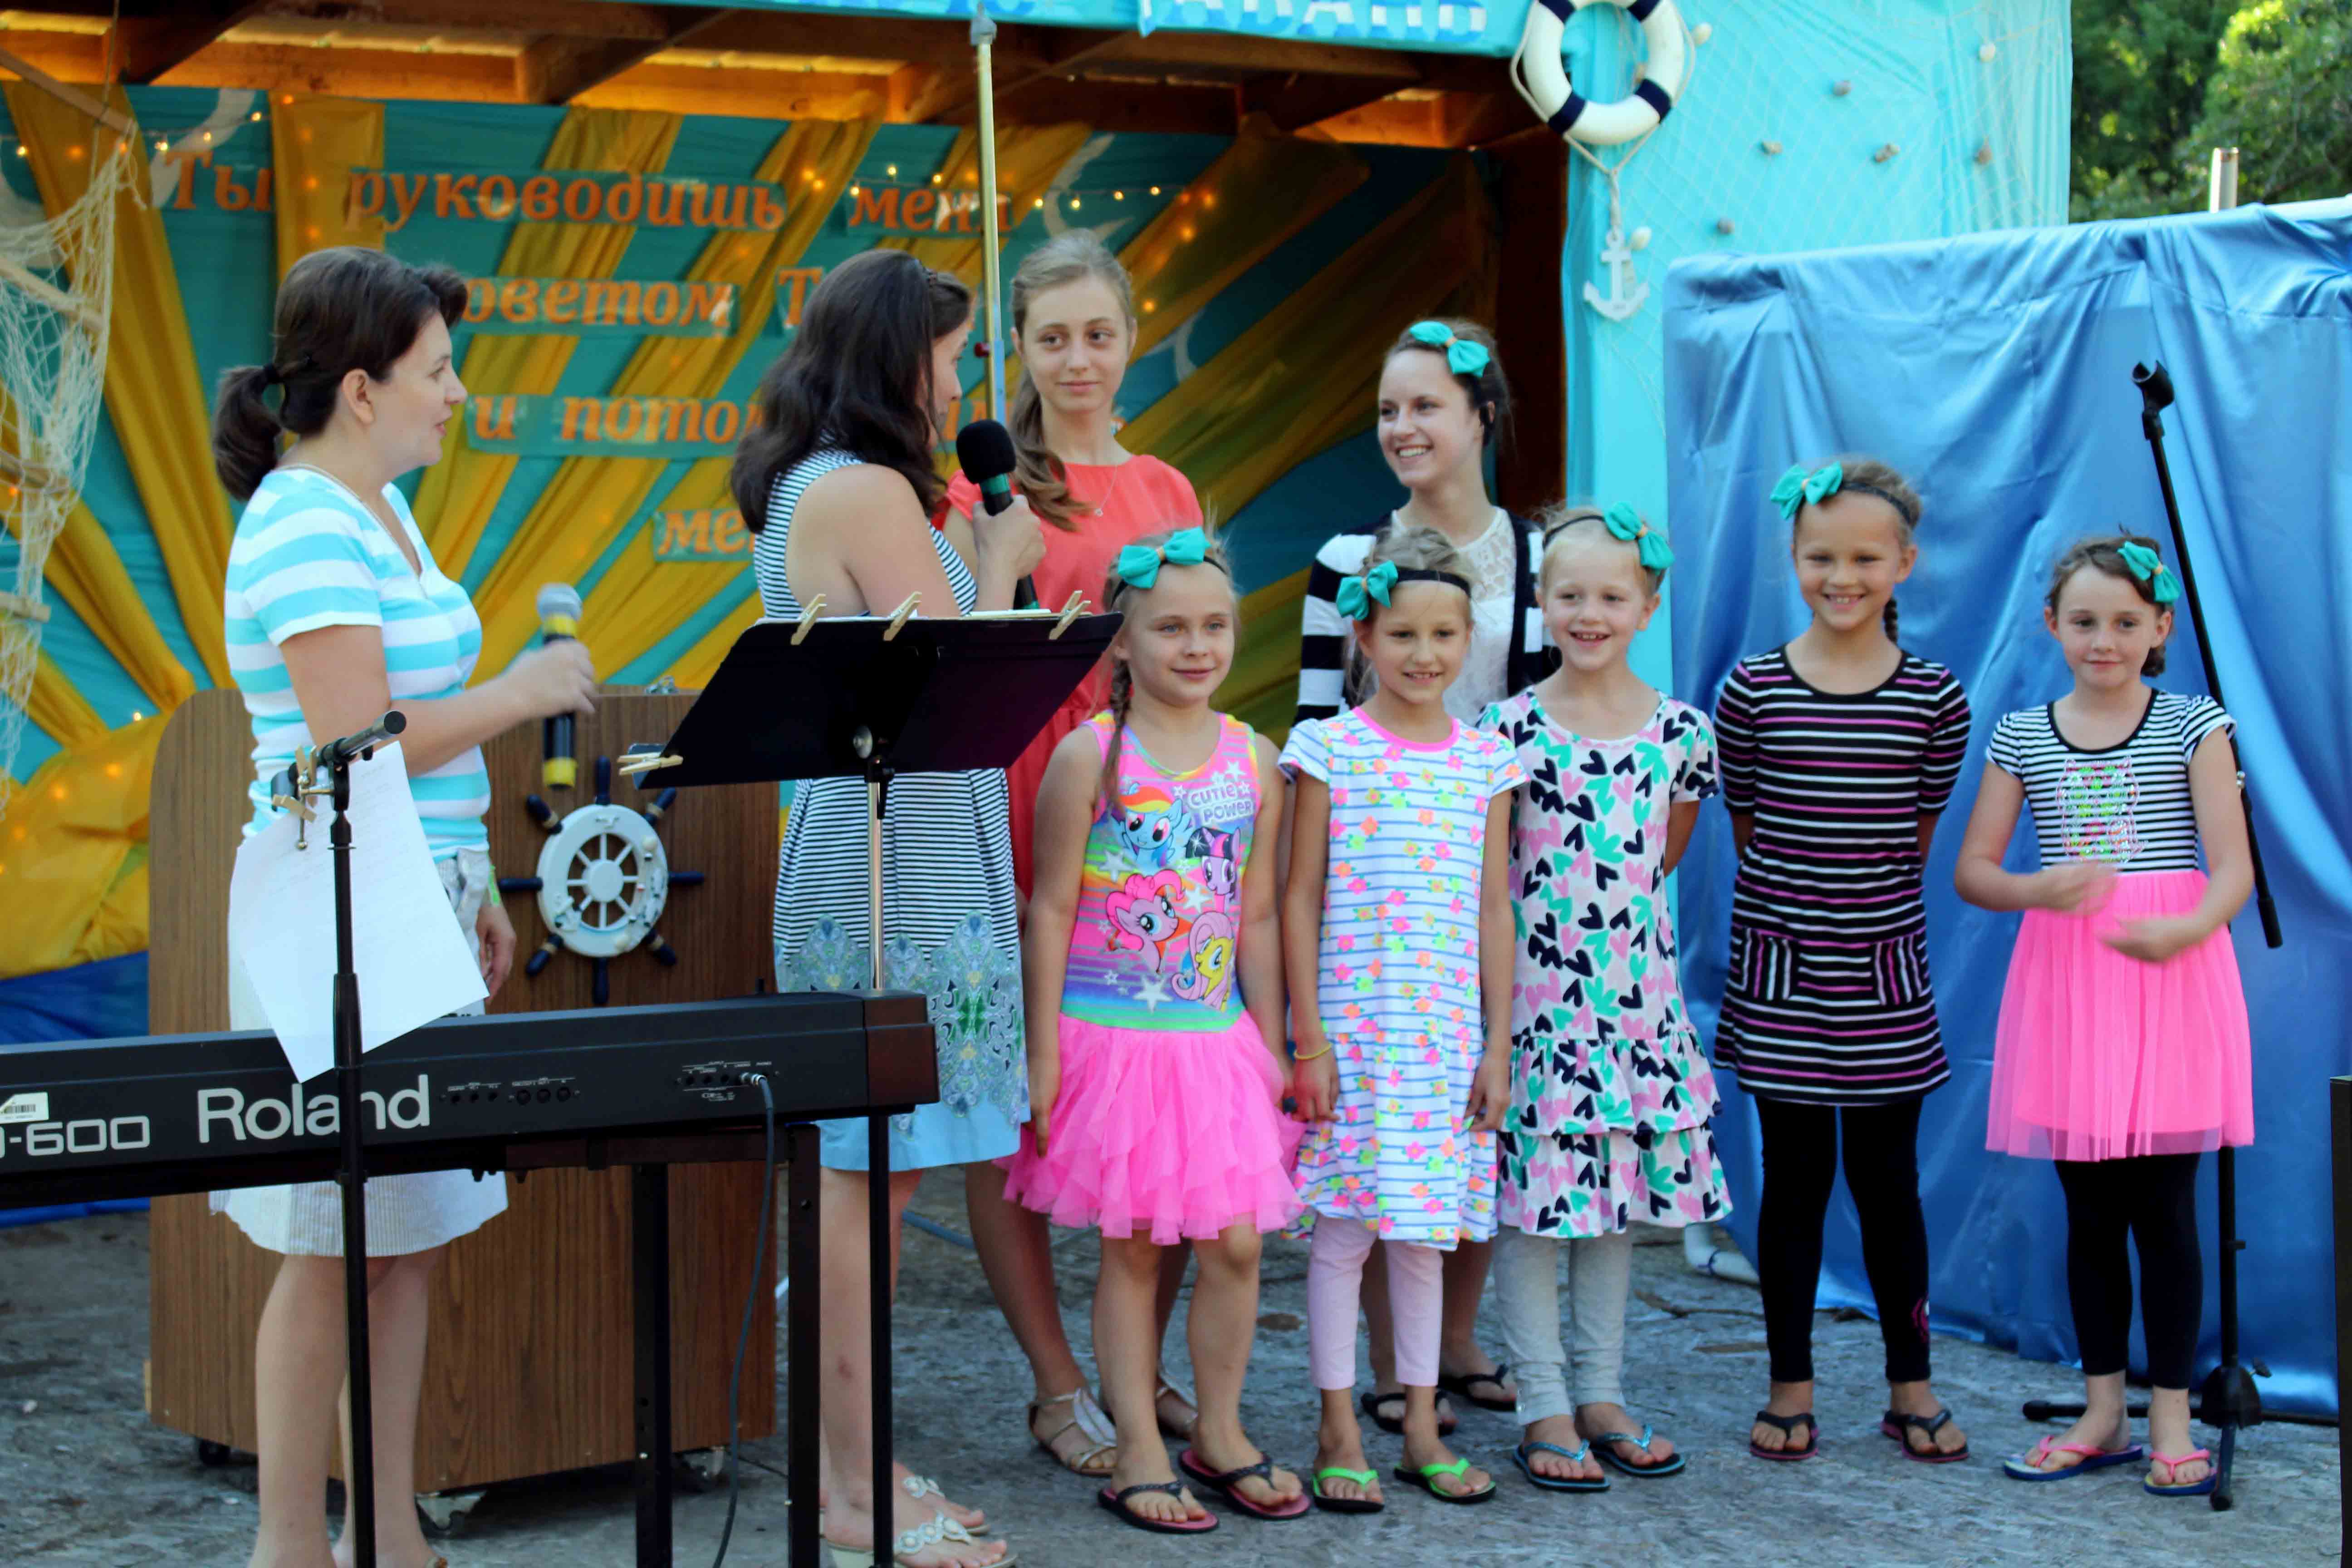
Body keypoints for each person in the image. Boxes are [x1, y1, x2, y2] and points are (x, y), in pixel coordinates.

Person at [213, 246, 598, 1568]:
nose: (459, 393)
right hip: (338, 912)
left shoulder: (381, 510)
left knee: (408, 1242)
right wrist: (524, 691)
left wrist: (475, 880)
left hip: (415, 899)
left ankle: (391, 1535)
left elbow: (420, 757)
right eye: (439, 370)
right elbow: (358, 740)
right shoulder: (302, 520)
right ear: (364, 388)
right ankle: (288, 1548)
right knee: (336, 1241)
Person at [730, 249, 1043, 1568]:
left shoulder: (835, 482)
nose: (964, 384)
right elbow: (944, 684)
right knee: (863, 1186)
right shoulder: (857, 488)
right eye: (955, 356)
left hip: (894, 861)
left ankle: (855, 1464)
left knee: (879, 1183)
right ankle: (849, 1488)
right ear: (901, 357)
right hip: (888, 877)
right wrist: (1003, 561)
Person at [944, 231, 1206, 1477]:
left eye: (1099, 334)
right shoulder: (986, 492)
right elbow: (963, 645)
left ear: (1132, 338)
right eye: (1053, 338)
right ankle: (1057, 1384)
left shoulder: (1168, 486)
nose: (1078, 359)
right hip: (1022, 796)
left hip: (1145, 814)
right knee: (1015, 1101)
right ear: (1018, 351)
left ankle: (1132, 1372)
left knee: (1154, 1087)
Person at [1001, 528, 1306, 1534]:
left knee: (1237, 1245)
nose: (1197, 645)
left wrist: (1273, 1045)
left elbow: (1256, 916)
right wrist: (1042, 1051)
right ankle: (1137, 1442)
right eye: (1171, 628)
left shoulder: (1255, 759)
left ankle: (1219, 1428)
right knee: (1132, 1249)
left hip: (1213, 1043)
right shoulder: (1092, 755)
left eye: (1215, 626)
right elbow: (1050, 909)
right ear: (1121, 642)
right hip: (1112, 1042)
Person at [1955, 536, 2252, 1498]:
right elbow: (1974, 871)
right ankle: (2102, 1410)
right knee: (2089, 1211)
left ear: (2161, 626)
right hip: (2072, 984)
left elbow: (2233, 867)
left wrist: (2186, 930)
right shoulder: (2022, 735)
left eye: (2127, 622)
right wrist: (2037, 887)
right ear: (2053, 625)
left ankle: (2172, 1415)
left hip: (2168, 977)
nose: (2104, 640)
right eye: (2084, 621)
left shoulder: (2194, 725)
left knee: (2164, 1209)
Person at [1292, 319, 1547, 1432]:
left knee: (1476, 1108)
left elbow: (1548, 711)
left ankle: (1449, 1336)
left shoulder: (1538, 554)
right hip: (1378, 861)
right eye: (1389, 409)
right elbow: (1315, 712)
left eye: (1426, 406)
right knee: (1383, 1122)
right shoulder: (1346, 559)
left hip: (1497, 839)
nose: (1402, 427)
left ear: (1483, 415)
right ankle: (1391, 1367)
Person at [1715, 458, 1973, 1465]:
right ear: (1794, 558)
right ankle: (1791, 1385)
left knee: (1889, 1186)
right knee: (1793, 1184)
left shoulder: (1934, 699)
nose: (1842, 576)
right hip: (1781, 976)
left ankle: (1912, 1387)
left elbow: (1916, 838)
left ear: (1904, 563)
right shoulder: (1753, 690)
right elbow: (1750, 828)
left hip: (1884, 980)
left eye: (1866, 558)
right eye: (1821, 557)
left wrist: (1861, 922)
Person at [1480, 504, 1731, 1491]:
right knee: (1534, 1210)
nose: (1590, 614)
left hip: (1635, 1013)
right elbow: (1494, 877)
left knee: (1613, 1207)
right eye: (1570, 595)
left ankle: (1601, 1390)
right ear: (1542, 603)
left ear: (1647, 608)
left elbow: (1663, 858)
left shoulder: (1683, 733)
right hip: (1540, 1013)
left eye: (1612, 597)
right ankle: (1542, 1400)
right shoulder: (1507, 731)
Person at [1284, 526, 1522, 1511]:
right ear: (1363, 639)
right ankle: (1338, 1424)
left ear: (1470, 639)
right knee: (1344, 1237)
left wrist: (1498, 1047)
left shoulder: (1488, 761)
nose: (1425, 655)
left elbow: (1493, 909)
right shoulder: (1327, 749)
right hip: (1353, 1038)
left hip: (1446, 1045)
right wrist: (1309, 1039)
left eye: (1444, 635)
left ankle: (1421, 1424)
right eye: (1403, 634)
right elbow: (1299, 896)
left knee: (1424, 1240)